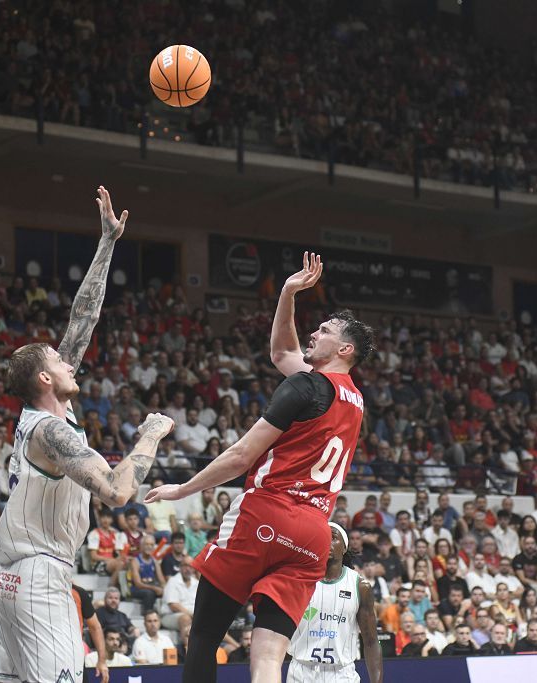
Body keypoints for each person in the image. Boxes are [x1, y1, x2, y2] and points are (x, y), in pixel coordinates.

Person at [0, 186, 173, 683]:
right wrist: (149, 435)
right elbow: (119, 492)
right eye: (59, 360)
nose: (68, 358)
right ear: (44, 378)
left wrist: (106, 243)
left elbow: (82, 322)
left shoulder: (43, 416)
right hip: (38, 575)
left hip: (1, 578)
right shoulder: (53, 434)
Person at [145, 251, 374, 683]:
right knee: (267, 660)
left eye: (323, 330)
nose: (314, 332)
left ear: (344, 348)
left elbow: (240, 457)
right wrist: (287, 292)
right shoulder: (355, 400)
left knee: (204, 638)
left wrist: (181, 490)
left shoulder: (306, 385)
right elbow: (282, 350)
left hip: (267, 514)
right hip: (313, 532)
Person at [286, 522, 382, 683]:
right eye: (322, 538)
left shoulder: (360, 586)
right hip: (301, 672)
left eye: (333, 538)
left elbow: (371, 641)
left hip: (342, 674)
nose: (326, 542)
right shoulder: (298, 581)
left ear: (344, 547)